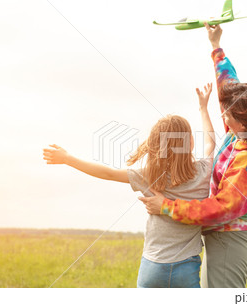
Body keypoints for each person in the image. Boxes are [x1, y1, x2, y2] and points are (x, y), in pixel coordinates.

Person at [139, 24, 247, 288]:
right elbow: (229, 87)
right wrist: (216, 46)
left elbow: (221, 209)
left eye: (228, 114)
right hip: (223, 242)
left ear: (242, 120)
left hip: (230, 244)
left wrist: (166, 206)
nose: (222, 116)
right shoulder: (246, 132)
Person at [42, 83, 216, 288]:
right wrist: (203, 109)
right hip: (186, 267)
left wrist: (68, 159)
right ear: (191, 144)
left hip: (153, 267)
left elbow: (108, 173)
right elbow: (211, 143)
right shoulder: (204, 171)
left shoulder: (151, 176)